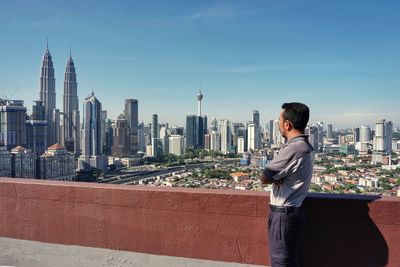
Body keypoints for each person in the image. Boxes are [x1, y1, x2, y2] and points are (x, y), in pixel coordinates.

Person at [260, 102, 314, 267]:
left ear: (287, 124)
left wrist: (274, 177)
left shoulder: (295, 148)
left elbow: (264, 176)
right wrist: (277, 177)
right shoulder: (305, 146)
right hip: (292, 214)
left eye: (279, 121)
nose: (278, 125)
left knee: (281, 262)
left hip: (284, 216)